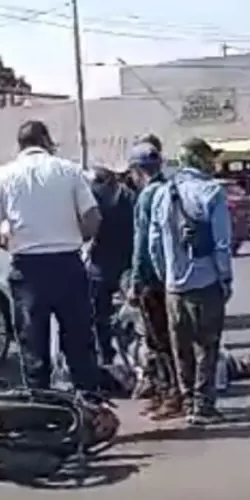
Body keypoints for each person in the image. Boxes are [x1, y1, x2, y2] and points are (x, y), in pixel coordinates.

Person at [0, 120, 102, 391]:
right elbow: (92, 217)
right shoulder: (69, 171)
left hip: (28, 268)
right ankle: (89, 408)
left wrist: (9, 245)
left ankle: (41, 411)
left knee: (33, 345)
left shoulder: (3, 175)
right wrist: (77, 239)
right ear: (45, 141)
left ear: (19, 145)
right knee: (79, 341)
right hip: (68, 264)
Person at [148, 138, 233, 425]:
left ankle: (187, 402)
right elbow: (222, 242)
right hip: (205, 281)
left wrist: (165, 275)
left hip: (174, 286)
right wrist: (225, 277)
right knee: (207, 346)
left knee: (181, 348)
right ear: (199, 159)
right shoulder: (212, 192)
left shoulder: (161, 194)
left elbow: (154, 244)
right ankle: (203, 405)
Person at [126, 142, 177, 417]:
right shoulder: (168, 189)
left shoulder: (146, 197)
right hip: (172, 276)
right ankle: (171, 392)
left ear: (136, 171)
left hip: (152, 280)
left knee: (158, 340)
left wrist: (136, 282)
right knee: (172, 338)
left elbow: (142, 243)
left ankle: (169, 394)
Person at [86, 166, 135, 364]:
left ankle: (106, 356)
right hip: (127, 261)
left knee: (99, 316)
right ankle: (133, 356)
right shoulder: (129, 197)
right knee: (134, 314)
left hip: (100, 264)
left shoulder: (91, 198)